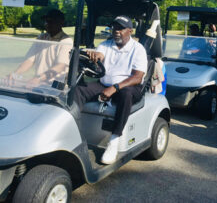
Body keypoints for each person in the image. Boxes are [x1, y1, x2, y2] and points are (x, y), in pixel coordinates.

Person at [74, 15, 147, 165]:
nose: (116, 31)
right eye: (114, 27)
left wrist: (114, 88)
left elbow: (138, 77)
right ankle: (73, 132)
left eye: (120, 28)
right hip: (105, 84)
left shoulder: (138, 49)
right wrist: (96, 56)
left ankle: (114, 140)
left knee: (126, 95)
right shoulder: (106, 45)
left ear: (130, 31)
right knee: (78, 89)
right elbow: (100, 55)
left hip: (129, 86)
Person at [8, 9, 72, 87]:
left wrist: (39, 79)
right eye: (46, 21)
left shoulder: (66, 41)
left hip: (54, 86)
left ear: (61, 23)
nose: (46, 24)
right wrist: (15, 74)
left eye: (51, 21)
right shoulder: (42, 37)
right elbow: (30, 60)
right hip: (38, 83)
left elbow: (60, 66)